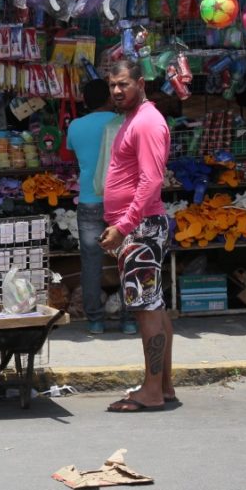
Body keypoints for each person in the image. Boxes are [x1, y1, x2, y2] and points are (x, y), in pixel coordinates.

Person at [98, 62, 174, 413]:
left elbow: (151, 181)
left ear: (141, 83)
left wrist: (124, 225)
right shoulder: (135, 118)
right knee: (153, 308)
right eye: (112, 85)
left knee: (146, 310)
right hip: (139, 227)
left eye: (123, 84)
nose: (116, 91)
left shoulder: (145, 121)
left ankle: (152, 391)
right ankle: (163, 386)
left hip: (140, 229)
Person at [66, 79, 135, 336]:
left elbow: (73, 153)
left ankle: (95, 320)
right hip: (122, 201)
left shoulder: (75, 126)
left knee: (91, 263)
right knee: (128, 259)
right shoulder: (121, 123)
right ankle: (129, 320)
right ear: (109, 97)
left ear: (85, 100)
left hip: (89, 200)